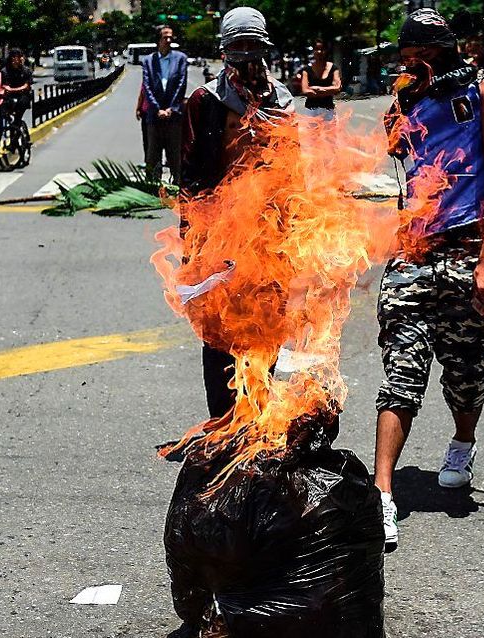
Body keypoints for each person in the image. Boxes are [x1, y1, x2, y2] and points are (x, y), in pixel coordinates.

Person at [377, 8, 484, 552]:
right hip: (412, 252)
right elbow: (402, 158)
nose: (413, 65)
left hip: (466, 249)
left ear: (447, 50)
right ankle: (383, 493)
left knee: (466, 371)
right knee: (401, 373)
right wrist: (401, 112)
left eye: (422, 56)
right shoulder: (407, 96)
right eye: (407, 57)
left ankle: (462, 442)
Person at [180, 7, 294, 419]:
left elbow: (292, 169)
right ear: (225, 52)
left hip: (270, 235)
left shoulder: (281, 100)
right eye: (237, 47)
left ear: (265, 49)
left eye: (253, 46)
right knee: (220, 332)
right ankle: (224, 422)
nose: (246, 56)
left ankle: (259, 418)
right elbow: (191, 178)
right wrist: (192, 245)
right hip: (220, 237)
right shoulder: (206, 101)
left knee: (267, 328)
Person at [142, 24, 189, 183]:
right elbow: (147, 87)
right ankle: (153, 186)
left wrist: (171, 108)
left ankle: (177, 184)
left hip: (174, 115)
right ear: (158, 40)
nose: (168, 40)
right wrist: (157, 109)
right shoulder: (148, 61)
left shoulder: (180, 58)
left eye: (170, 37)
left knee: (175, 152)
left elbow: (181, 84)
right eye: (165, 37)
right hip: (154, 117)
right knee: (153, 153)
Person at [300, 38, 342, 119]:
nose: (319, 52)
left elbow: (337, 87)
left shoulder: (333, 68)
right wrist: (328, 91)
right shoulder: (307, 70)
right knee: (311, 132)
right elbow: (305, 90)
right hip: (311, 110)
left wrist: (317, 89)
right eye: (317, 49)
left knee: (330, 132)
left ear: (326, 51)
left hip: (328, 110)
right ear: (313, 51)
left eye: (322, 49)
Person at [1, 49, 33, 127]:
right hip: (10, 95)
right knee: (3, 107)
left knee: (22, 103)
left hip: (23, 95)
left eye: (18, 57)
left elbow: (26, 86)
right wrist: (6, 88)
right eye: (13, 57)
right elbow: (3, 84)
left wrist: (13, 89)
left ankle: (18, 125)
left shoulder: (26, 70)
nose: (15, 60)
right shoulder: (4, 71)